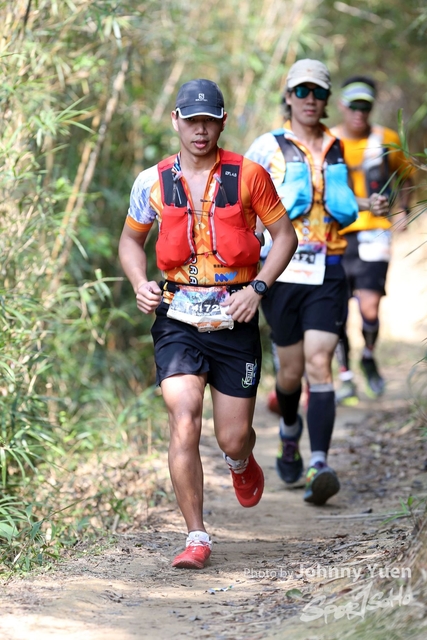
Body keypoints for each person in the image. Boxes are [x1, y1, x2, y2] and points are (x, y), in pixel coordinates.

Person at [118, 78, 297, 570]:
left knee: (232, 437)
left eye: (209, 121)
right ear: (175, 121)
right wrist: (139, 282)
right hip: (176, 316)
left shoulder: (250, 175)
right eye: (192, 120)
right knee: (184, 416)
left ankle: (240, 461)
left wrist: (257, 288)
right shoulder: (151, 181)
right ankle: (196, 536)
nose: (200, 130)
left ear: (222, 123)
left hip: (235, 317)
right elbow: (131, 241)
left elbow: (284, 236)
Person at [245, 59, 383, 506]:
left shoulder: (336, 146)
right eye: (301, 91)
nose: (309, 99)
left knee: (320, 361)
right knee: (289, 372)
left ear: (327, 100)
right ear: (288, 96)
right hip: (281, 273)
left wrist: (370, 203)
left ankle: (319, 464)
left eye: (318, 92)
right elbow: (242, 202)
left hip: (329, 269)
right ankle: (289, 433)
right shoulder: (267, 147)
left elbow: (338, 200)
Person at [331, 76, 414, 405]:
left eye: (365, 107)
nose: (359, 113)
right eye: (354, 106)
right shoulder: (329, 140)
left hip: (375, 230)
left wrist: (404, 210)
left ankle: (367, 355)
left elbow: (406, 174)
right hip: (335, 233)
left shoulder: (386, 139)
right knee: (336, 309)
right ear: (342, 106)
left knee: (369, 305)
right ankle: (345, 375)